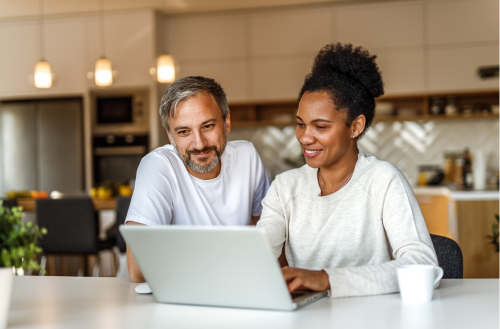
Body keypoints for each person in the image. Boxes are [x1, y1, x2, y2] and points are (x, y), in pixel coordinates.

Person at [257, 43, 439, 298]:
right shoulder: (286, 187)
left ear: (355, 127)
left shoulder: (383, 180)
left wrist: (327, 279)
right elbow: (258, 255)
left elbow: (423, 264)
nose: (305, 138)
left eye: (320, 127)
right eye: (300, 124)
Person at [126, 76, 270, 282]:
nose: (199, 144)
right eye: (184, 132)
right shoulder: (157, 166)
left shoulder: (247, 156)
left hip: (237, 286)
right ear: (170, 136)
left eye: (208, 126)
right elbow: (138, 270)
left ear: (226, 122)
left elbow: (266, 235)